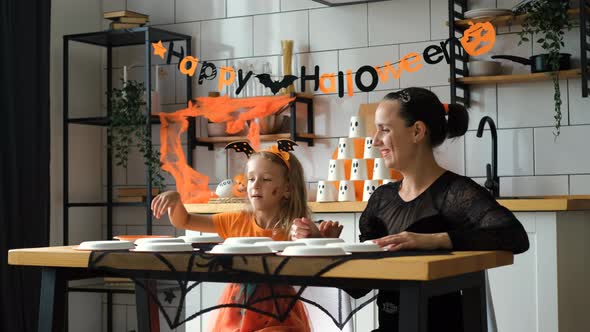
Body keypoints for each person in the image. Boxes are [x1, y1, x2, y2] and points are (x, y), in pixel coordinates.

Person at [291, 87, 530, 332]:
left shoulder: (455, 192)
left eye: (385, 129)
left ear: (417, 131)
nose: (375, 140)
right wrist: (329, 248)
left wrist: (435, 240)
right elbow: (359, 288)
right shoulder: (381, 199)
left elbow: (515, 236)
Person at [152, 142, 318, 332]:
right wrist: (175, 200)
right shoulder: (236, 220)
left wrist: (317, 235)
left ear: (287, 189)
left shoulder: (295, 228)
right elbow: (186, 220)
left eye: (266, 179)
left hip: (279, 310)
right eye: (251, 178)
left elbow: (316, 260)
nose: (255, 185)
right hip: (238, 308)